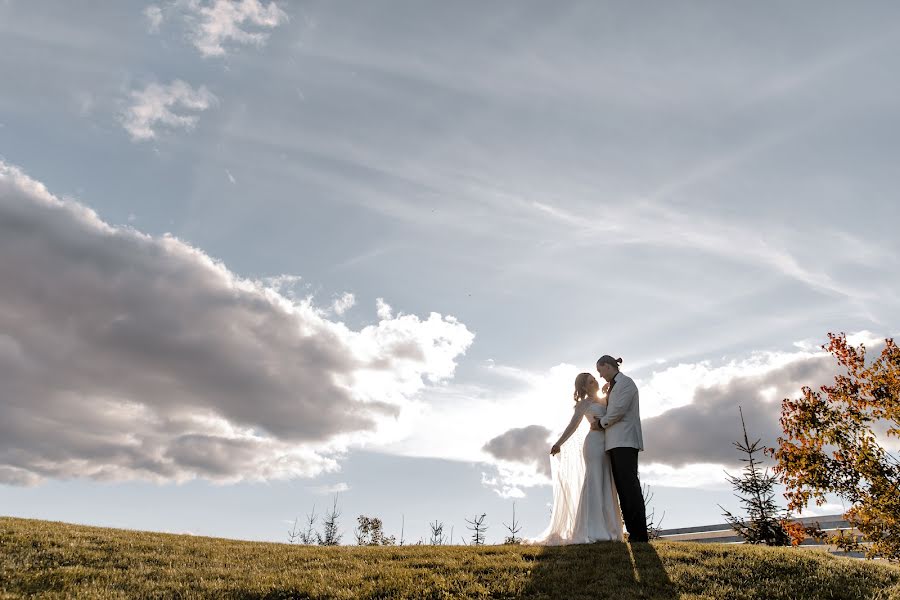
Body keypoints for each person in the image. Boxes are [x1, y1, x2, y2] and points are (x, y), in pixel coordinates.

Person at [535, 372, 623, 544]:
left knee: (607, 483)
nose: (595, 382)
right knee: (594, 482)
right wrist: (559, 443)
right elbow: (573, 425)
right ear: (584, 387)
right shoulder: (584, 404)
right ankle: (592, 529)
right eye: (591, 381)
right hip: (594, 445)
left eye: (595, 379)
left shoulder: (605, 398)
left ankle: (610, 528)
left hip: (608, 444)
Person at [595, 355, 648, 542]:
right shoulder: (613, 386)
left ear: (608, 366)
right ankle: (634, 533)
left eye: (600, 371)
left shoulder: (626, 383)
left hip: (625, 441)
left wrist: (601, 423)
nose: (600, 376)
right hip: (615, 443)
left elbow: (618, 411)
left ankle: (640, 533)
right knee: (623, 489)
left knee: (630, 488)